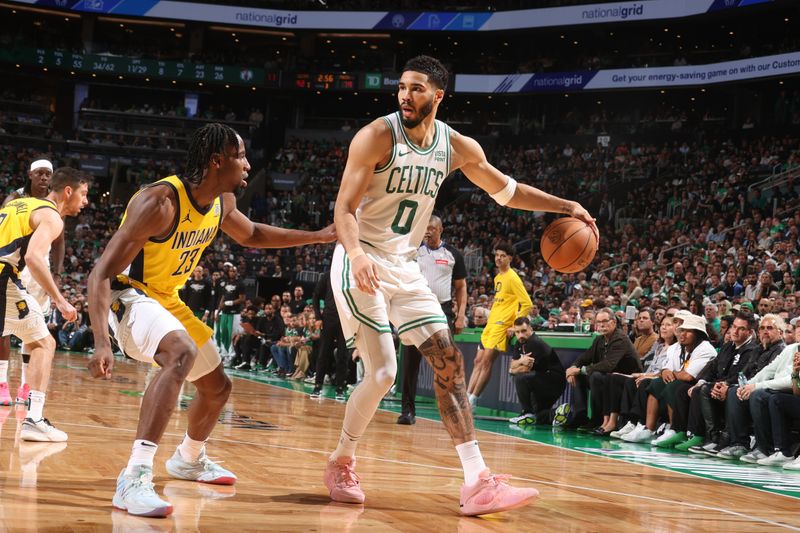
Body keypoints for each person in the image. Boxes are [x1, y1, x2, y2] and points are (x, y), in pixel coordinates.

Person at [325, 55, 595, 515]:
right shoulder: (376, 135)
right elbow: (344, 209)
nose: (405, 96)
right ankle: (341, 460)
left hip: (405, 265)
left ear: (438, 95)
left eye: (416, 89)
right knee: (384, 373)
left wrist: (564, 205)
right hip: (361, 257)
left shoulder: (454, 145)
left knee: (448, 359)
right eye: (402, 87)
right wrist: (355, 254)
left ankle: (477, 482)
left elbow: (507, 190)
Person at [87, 123, 336, 518]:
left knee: (218, 388)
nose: (248, 164)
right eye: (241, 156)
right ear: (218, 160)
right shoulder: (159, 202)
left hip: (167, 299)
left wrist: (319, 236)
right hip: (129, 296)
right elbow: (99, 273)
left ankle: (188, 457)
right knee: (181, 353)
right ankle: (133, 477)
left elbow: (252, 234)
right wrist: (102, 339)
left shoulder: (222, 201)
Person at [1, 167, 88, 441]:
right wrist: (60, 300)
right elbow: (35, 258)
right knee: (44, 343)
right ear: (68, 191)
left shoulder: (17, 204)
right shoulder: (51, 215)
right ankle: (34, 418)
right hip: (3, 276)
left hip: (8, 277)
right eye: (84, 194)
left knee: (40, 340)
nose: (85, 201)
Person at [0, 159, 66, 407]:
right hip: (14, 263)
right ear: (29, 174)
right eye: (39, 173)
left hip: (38, 266)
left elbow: (59, 242)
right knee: (4, 327)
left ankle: (26, 385)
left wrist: (57, 275)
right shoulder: (15, 198)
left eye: (48, 174)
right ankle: (2, 382)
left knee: (35, 327)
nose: (44, 178)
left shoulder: (52, 206)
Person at [398, 214, 467, 425]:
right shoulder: (413, 253)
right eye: (424, 228)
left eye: (431, 228)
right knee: (410, 364)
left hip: (442, 310)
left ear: (440, 229)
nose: (427, 232)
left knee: (447, 362)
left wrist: (461, 314)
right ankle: (408, 411)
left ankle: (453, 411)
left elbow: (461, 286)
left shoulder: (453, 254)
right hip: (415, 309)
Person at [466, 243, 532, 409]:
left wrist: (515, 326)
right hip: (491, 324)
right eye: (497, 255)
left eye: (502, 255)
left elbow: (527, 304)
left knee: (486, 362)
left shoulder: (512, 277)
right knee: (477, 361)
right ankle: (466, 397)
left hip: (502, 325)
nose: (498, 258)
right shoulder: (498, 277)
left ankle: (473, 400)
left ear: (510, 258)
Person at [564, 307, 641, 431]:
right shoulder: (600, 339)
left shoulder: (620, 338)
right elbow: (585, 357)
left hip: (626, 380)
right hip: (609, 378)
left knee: (595, 376)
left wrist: (580, 370)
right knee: (581, 376)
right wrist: (573, 368)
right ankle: (581, 416)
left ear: (613, 322)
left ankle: (597, 419)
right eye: (598, 322)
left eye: (604, 321)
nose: (601, 325)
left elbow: (608, 364)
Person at [508, 317, 566, 425]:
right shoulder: (519, 343)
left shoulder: (535, 343)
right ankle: (557, 413)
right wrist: (521, 361)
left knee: (521, 377)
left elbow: (525, 369)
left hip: (553, 381)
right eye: (517, 332)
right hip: (540, 379)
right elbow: (512, 365)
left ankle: (526, 412)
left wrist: (514, 368)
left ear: (530, 328)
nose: (520, 335)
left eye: (524, 331)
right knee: (538, 415)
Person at [311, 270, 350, 400]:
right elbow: (316, 295)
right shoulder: (328, 274)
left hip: (345, 319)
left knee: (343, 355)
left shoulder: (352, 274)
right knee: (323, 353)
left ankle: (340, 388)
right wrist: (317, 317)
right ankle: (317, 386)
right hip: (328, 318)